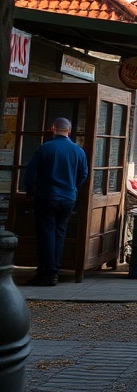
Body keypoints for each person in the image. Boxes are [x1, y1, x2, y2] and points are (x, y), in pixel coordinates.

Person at [23, 117, 89, 286]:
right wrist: (73, 187)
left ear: (53, 128)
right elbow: (83, 175)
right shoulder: (78, 151)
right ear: (70, 130)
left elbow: (30, 174)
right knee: (59, 234)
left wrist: (30, 192)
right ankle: (56, 269)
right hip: (68, 197)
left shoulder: (45, 148)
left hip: (46, 196)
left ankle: (47, 272)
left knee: (46, 234)